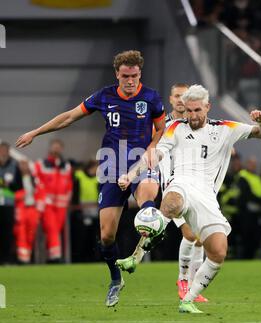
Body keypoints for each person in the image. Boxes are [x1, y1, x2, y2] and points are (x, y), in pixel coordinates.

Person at [16, 50, 165, 307]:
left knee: (147, 199)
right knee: (107, 236)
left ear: (140, 73)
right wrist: (36, 132)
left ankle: (154, 226)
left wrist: (152, 148)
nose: (130, 81)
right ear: (117, 74)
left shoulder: (151, 97)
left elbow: (162, 128)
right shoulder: (104, 96)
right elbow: (70, 116)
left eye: (135, 76)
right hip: (111, 165)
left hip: (141, 162)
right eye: (125, 76)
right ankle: (116, 279)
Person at [118, 84, 261, 313]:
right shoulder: (176, 128)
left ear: (208, 107)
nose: (192, 115)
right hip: (181, 183)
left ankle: (188, 299)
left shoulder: (225, 128)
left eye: (197, 110)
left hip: (207, 195)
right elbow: (156, 154)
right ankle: (136, 257)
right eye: (188, 111)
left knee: (219, 251)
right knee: (171, 203)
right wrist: (131, 175)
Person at [117, 83, 207, 302]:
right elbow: (150, 150)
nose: (180, 100)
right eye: (177, 96)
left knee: (200, 238)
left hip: (198, 186)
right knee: (190, 234)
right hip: (173, 188)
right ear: (170, 98)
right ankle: (183, 283)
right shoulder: (162, 126)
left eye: (183, 97)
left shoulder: (194, 125)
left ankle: (137, 259)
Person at [0, 142, 23, 264]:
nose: (3, 153)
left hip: (8, 205)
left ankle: (6, 259)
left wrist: (8, 185)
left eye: (5, 150)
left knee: (7, 233)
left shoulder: (14, 166)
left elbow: (19, 186)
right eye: (1, 150)